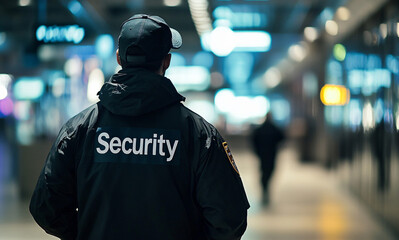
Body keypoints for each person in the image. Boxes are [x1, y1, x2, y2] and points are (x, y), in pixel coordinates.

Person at [29, 14, 249, 240]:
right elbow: (229, 217)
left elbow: (46, 207)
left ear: (118, 58)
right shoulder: (199, 135)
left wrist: (88, 231)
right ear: (166, 61)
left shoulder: (79, 130)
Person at [251, 112, 285, 207]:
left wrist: (257, 151)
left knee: (264, 172)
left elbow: (253, 140)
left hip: (263, 155)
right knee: (269, 171)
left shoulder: (260, 129)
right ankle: (265, 188)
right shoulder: (274, 128)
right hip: (271, 154)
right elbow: (282, 138)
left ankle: (265, 188)